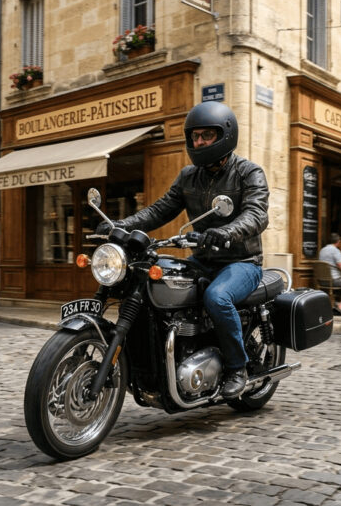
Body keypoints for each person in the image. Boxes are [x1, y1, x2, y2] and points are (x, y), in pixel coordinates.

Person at [96, 101, 268, 399]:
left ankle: (237, 367)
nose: (199, 142)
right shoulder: (189, 176)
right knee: (149, 278)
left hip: (242, 262)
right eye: (195, 136)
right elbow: (160, 210)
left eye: (207, 136)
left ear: (225, 135)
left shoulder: (248, 173)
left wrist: (226, 232)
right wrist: (119, 226)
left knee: (218, 296)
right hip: (202, 260)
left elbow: (256, 215)